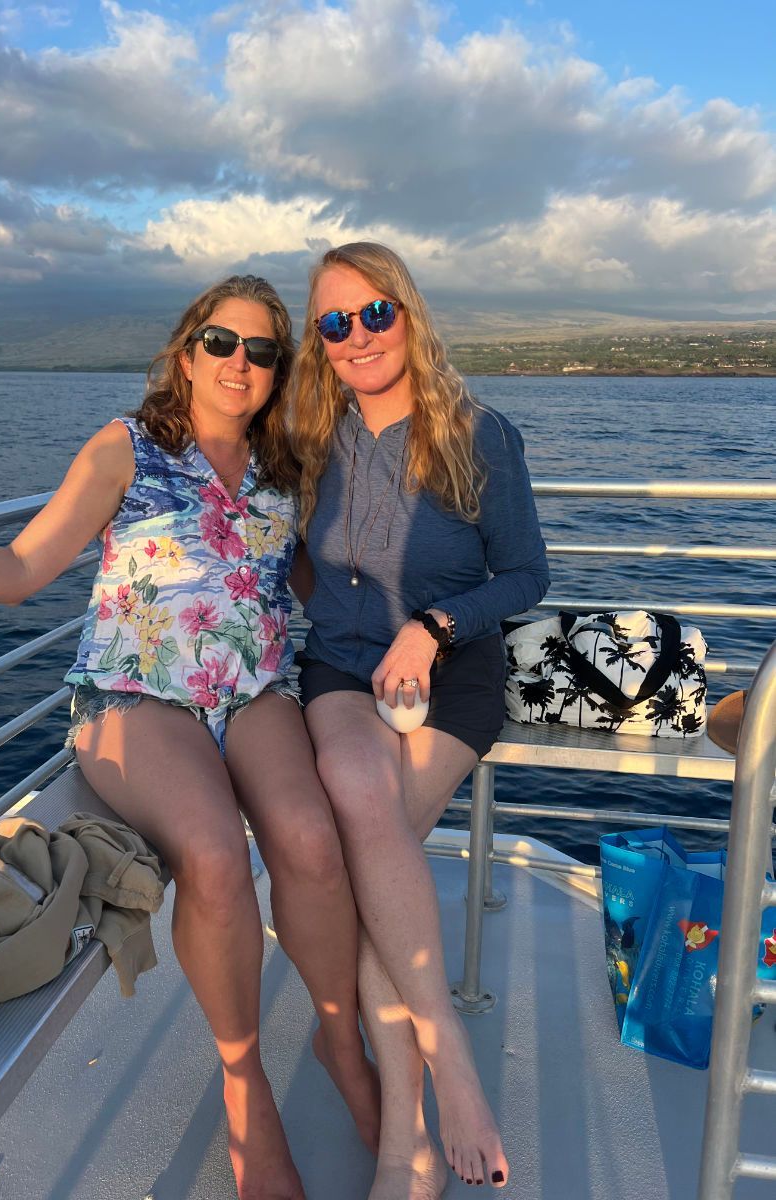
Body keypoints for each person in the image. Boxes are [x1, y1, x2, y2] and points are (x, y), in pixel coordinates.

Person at [0, 275, 380, 1200]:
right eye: (222, 343)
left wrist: (432, 626)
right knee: (216, 858)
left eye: (264, 351)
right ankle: (244, 1084)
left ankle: (340, 1035)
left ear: (280, 370)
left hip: (256, 687)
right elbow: (25, 566)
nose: (241, 364)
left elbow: (325, 586)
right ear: (186, 352)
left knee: (313, 842)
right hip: (137, 694)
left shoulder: (285, 470)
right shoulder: (128, 448)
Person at [289, 242, 550, 1196]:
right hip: (341, 672)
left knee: (369, 848)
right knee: (362, 793)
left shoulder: (479, 434)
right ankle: (451, 1073)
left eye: (374, 314)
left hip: (451, 671)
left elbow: (526, 573)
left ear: (409, 313)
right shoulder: (315, 439)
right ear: (319, 344)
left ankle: (407, 1138)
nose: (356, 336)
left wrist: (436, 626)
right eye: (333, 323)